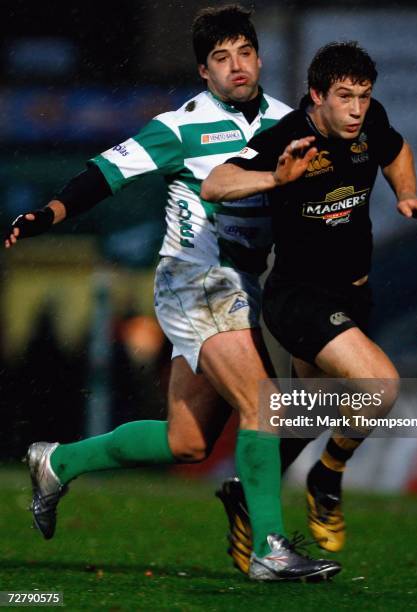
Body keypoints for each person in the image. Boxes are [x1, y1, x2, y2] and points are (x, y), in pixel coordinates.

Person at [5, 6, 340, 582]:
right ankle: (269, 548)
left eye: (243, 53)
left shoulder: (290, 123)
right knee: (260, 402)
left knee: (188, 442)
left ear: (259, 58)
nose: (235, 66)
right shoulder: (181, 126)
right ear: (204, 73)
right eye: (220, 58)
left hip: (242, 289)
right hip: (194, 280)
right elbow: (105, 174)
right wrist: (48, 212)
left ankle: (57, 461)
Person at [203, 40, 417, 553]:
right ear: (317, 95)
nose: (356, 109)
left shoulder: (370, 121)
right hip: (298, 298)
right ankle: (327, 478)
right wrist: (275, 176)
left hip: (354, 294)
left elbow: (396, 150)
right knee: (380, 387)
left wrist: (406, 193)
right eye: (344, 97)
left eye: (363, 95)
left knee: (311, 413)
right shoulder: (288, 137)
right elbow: (216, 182)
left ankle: (246, 496)